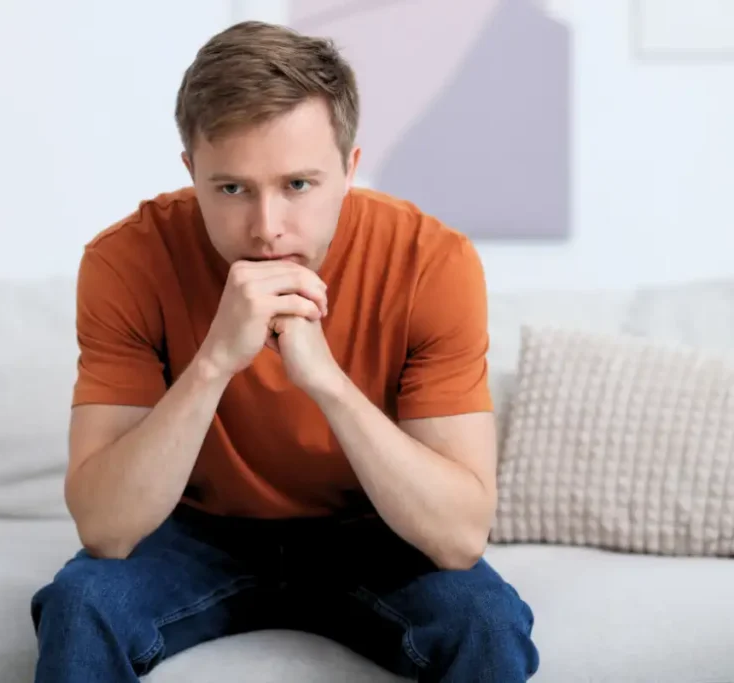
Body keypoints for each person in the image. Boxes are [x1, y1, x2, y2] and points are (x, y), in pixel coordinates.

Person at [30, 20, 539, 683]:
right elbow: (105, 528)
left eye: (298, 184)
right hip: (193, 530)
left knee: (488, 621)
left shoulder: (430, 263)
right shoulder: (124, 261)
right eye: (231, 188)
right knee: (79, 607)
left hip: (373, 529)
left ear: (349, 170)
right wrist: (215, 361)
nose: (266, 229)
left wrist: (326, 381)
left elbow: (459, 537)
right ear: (191, 172)